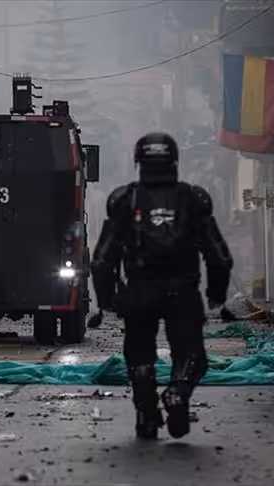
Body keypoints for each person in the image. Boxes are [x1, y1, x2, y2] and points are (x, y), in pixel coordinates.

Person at [90, 132, 233, 440]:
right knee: (191, 356)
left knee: (139, 356)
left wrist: (107, 301)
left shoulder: (124, 201)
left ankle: (145, 414)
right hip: (183, 291)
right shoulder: (193, 199)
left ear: (138, 162)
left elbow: (102, 260)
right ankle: (177, 393)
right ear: (174, 161)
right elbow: (219, 256)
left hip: (139, 291)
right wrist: (216, 297)